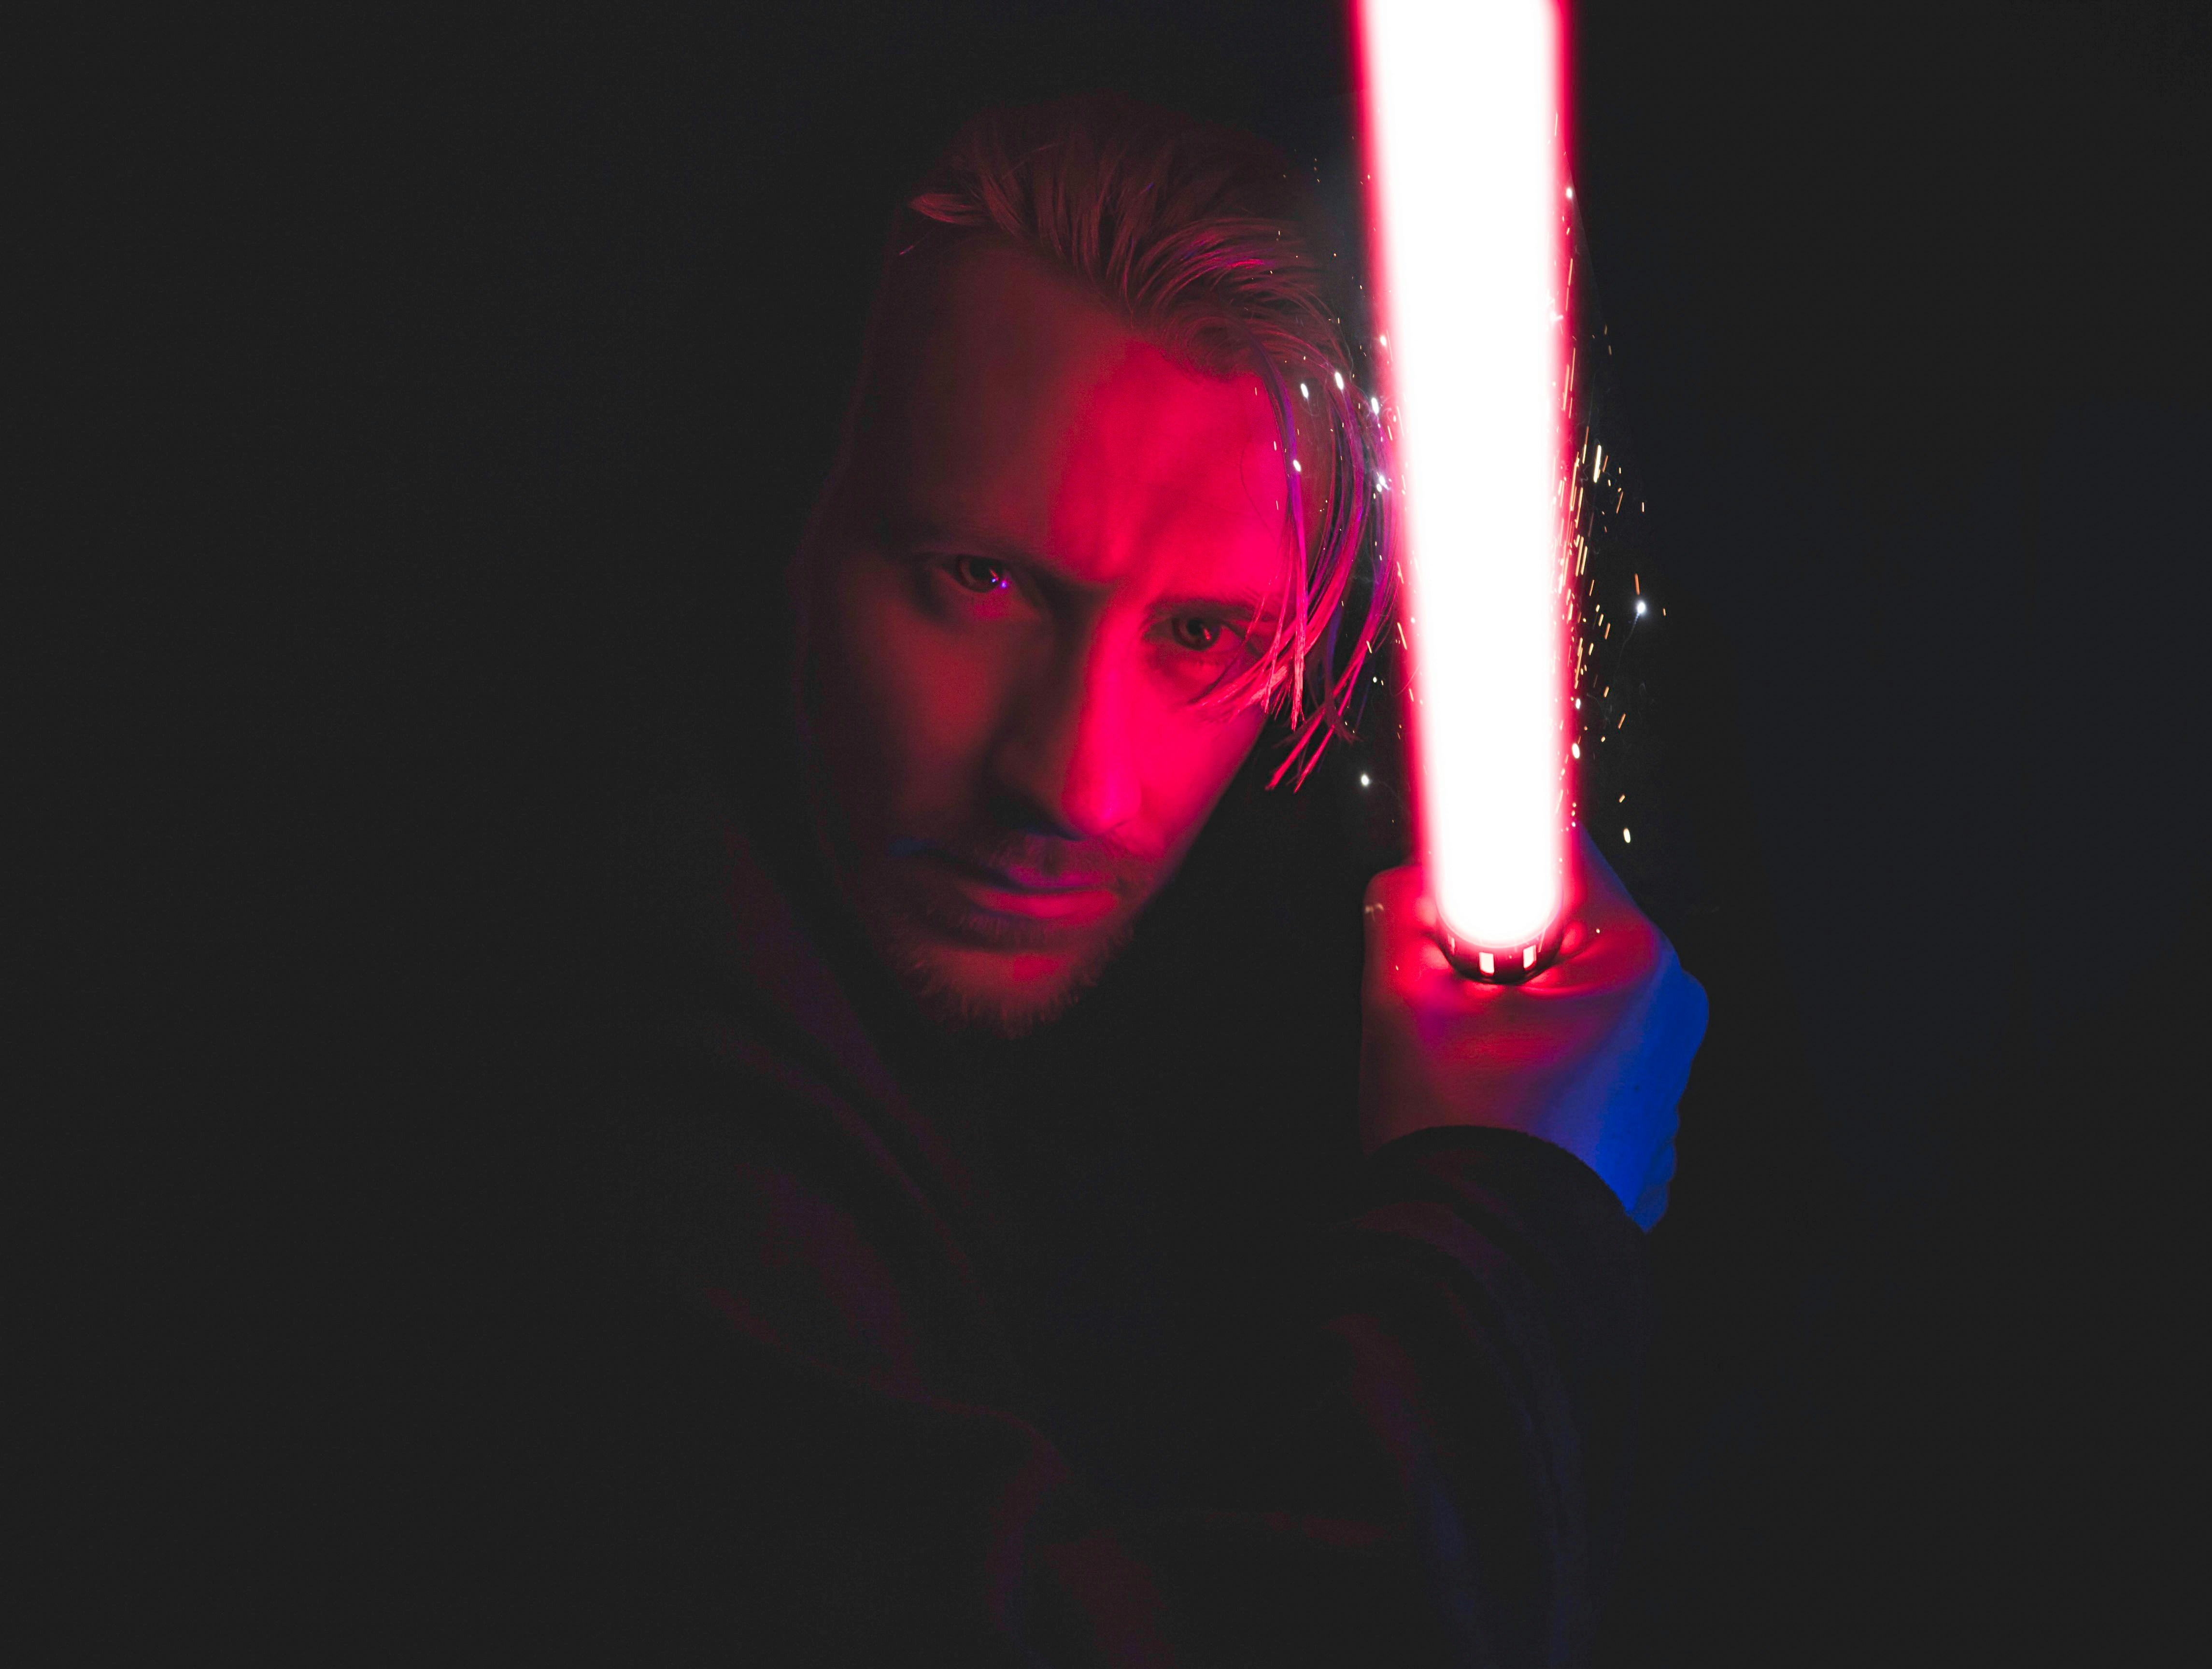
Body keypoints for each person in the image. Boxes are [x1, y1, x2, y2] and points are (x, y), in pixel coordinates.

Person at [557, 94, 1709, 1665]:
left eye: (1202, 638)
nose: (1070, 784)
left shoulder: (1176, 1063)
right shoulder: (607, 1091)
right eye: (982, 580)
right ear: (791, 533)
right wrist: (1513, 1204)